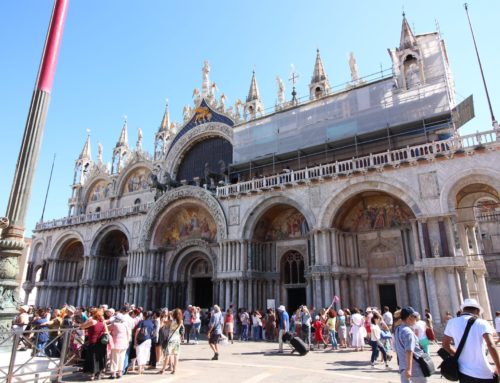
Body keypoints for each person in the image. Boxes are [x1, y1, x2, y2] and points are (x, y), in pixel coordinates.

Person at [442, 298, 500, 383]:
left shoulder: (452, 322)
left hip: (464, 373)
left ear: (463, 310)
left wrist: (457, 354)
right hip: (484, 374)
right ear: (477, 311)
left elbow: (445, 344)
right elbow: (491, 345)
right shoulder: (482, 323)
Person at [394, 307, 427, 383]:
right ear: (409, 317)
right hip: (414, 369)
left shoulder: (398, 329)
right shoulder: (408, 332)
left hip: (403, 367)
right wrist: (409, 369)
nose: (416, 319)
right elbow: (409, 351)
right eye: (415, 317)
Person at [80, 308, 108, 381]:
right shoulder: (103, 322)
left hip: (93, 342)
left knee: (93, 358)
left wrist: (87, 320)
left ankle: (92, 375)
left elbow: (82, 327)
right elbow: (107, 332)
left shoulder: (92, 321)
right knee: (100, 357)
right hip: (101, 343)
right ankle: (99, 373)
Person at [109, 313, 131, 379]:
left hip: (116, 343)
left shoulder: (114, 325)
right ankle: (120, 373)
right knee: (121, 358)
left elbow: (106, 328)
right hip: (124, 344)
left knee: (114, 359)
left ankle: (113, 374)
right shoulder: (126, 325)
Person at [163, 308, 184, 375]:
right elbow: (182, 329)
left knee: (167, 355)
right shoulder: (181, 321)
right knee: (176, 355)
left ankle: (163, 370)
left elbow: (164, 322)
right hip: (177, 340)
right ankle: (174, 370)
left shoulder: (171, 321)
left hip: (171, 339)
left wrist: (168, 315)